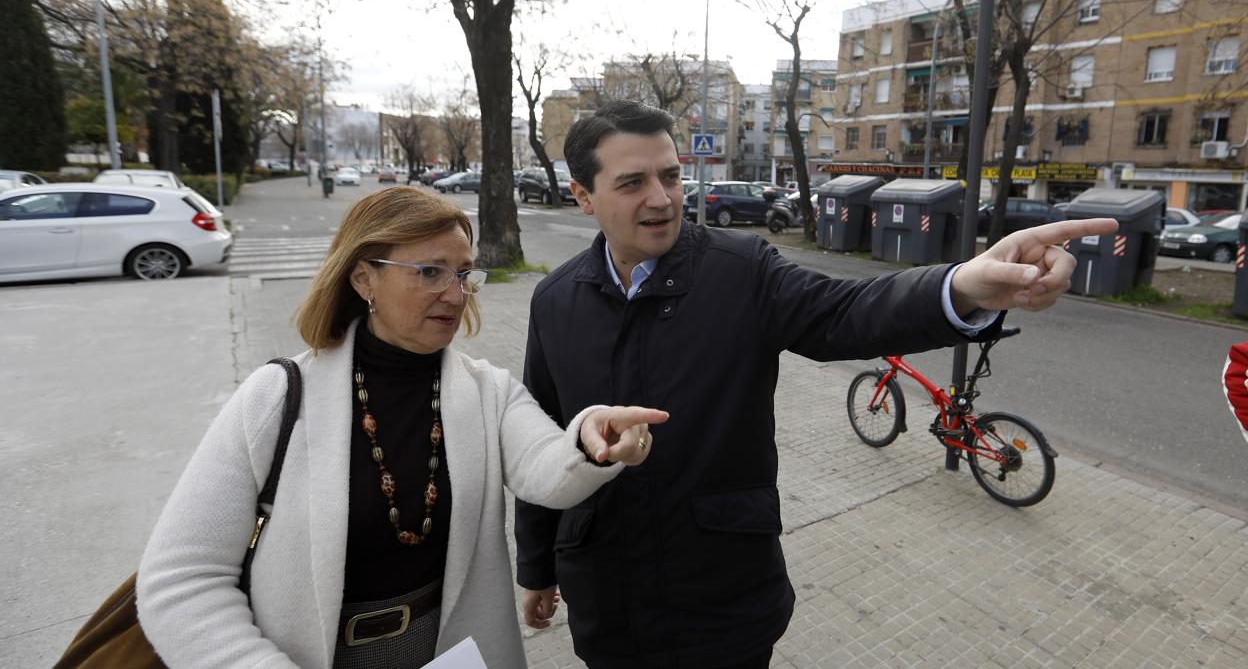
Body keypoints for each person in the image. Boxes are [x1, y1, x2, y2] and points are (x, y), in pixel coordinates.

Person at [513, 100, 1118, 667]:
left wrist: (962, 286)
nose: (663, 198)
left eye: (670, 176)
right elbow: (539, 443)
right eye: (632, 183)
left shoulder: (740, 270)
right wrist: (537, 566)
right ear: (582, 196)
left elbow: (849, 311)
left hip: (724, 601)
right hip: (606, 603)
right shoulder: (555, 301)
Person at [136, 186, 668, 669]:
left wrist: (593, 439)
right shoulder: (276, 397)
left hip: (448, 649)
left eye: (464, 273)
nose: (457, 295)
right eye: (430, 272)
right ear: (364, 277)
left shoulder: (488, 391)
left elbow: (547, 472)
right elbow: (181, 581)